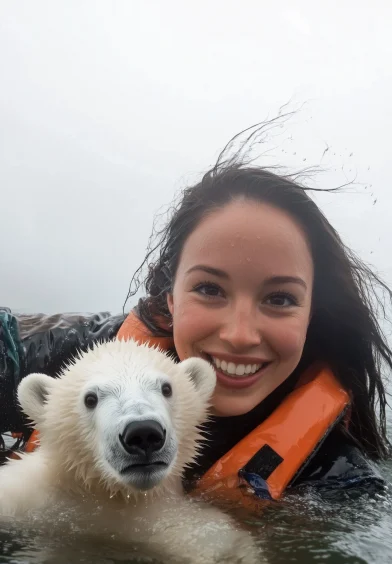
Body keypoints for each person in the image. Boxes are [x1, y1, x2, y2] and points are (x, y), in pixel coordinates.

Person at [1, 119, 391, 504]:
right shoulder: (70, 355)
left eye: (280, 298)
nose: (240, 335)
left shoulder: (341, 484)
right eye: (209, 289)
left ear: (311, 314)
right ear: (169, 299)